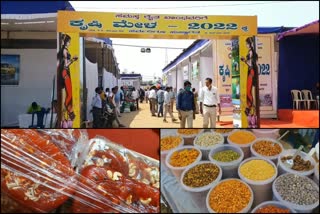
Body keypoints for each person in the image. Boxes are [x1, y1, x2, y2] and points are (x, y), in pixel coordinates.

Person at [57, 34, 78, 121]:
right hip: (65, 71)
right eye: (69, 41)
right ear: (66, 42)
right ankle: (70, 111)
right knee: (69, 93)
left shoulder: (64, 50)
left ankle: (69, 111)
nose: (69, 43)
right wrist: (73, 59)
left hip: (65, 71)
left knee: (69, 92)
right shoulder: (65, 51)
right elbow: (66, 64)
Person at [240, 37, 258, 117]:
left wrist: (244, 60)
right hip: (251, 71)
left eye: (247, 43)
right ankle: (249, 107)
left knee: (249, 90)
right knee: (248, 90)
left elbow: (250, 64)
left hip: (251, 71)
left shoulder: (251, 52)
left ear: (250, 44)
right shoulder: (251, 52)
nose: (246, 45)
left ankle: (249, 107)